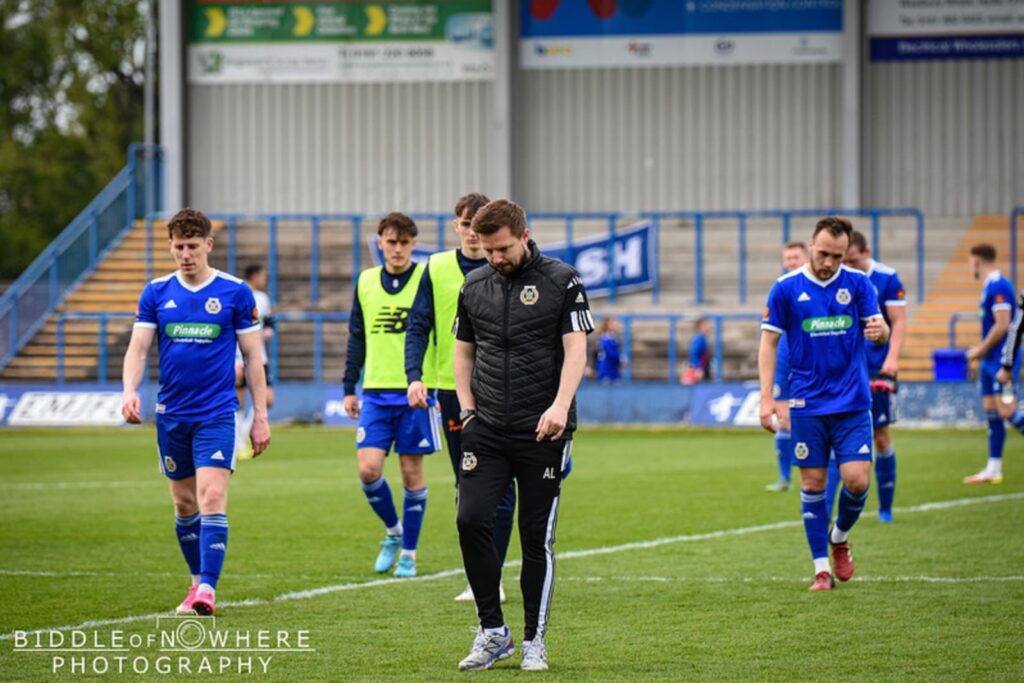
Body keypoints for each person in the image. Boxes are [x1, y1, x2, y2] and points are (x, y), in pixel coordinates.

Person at [453, 199, 592, 671]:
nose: (496, 258)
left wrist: (559, 406)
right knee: (470, 519)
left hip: (543, 430)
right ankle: (493, 632)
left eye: (503, 248)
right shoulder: (473, 285)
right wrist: (467, 411)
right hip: (487, 427)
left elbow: (576, 351)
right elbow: (463, 352)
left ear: (524, 234)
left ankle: (535, 639)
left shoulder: (563, 280)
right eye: (488, 250)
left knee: (535, 537)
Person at [121, 207, 271, 616]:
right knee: (185, 505)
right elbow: (138, 348)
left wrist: (260, 415)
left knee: (212, 496)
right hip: (172, 415)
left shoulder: (234, 292)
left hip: (218, 413)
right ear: (170, 247)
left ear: (208, 244)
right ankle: (194, 581)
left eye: (192, 246)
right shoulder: (155, 292)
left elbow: (253, 358)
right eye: (178, 247)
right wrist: (129, 390)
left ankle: (208, 588)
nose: (185, 254)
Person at [758, 216, 889, 592]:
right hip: (806, 403)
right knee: (813, 483)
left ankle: (839, 538)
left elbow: (880, 331)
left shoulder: (859, 284)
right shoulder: (785, 288)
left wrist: (882, 334)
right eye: (822, 253)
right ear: (811, 246)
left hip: (851, 402)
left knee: (856, 480)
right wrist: (767, 397)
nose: (829, 262)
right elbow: (768, 343)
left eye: (837, 255)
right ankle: (820, 569)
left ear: (846, 253)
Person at [405, 192, 516, 603]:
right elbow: (418, 326)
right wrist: (414, 376)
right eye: (464, 224)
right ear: (455, 226)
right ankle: (482, 574)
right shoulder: (435, 268)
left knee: (502, 486)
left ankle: (493, 575)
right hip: (453, 391)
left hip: (506, 390)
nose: (471, 232)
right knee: (466, 485)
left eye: (477, 224)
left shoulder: (505, 262)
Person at [343, 212, 441, 578]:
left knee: (411, 473)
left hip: (416, 393)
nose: (397, 249)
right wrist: (348, 387)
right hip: (375, 392)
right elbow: (357, 335)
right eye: (391, 241)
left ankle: (410, 555)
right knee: (368, 470)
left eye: (404, 242)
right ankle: (393, 532)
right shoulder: (366, 280)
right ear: (380, 242)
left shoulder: (425, 277)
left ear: (413, 244)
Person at [841, 231, 906, 521]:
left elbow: (900, 323)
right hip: (848, 370)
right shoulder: (841, 279)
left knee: (880, 436)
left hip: (878, 368)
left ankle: (886, 509)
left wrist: (891, 359)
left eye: (853, 260)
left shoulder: (888, 278)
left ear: (866, 251)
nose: (849, 265)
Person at [964, 244, 1019, 484]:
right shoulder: (989, 286)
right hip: (989, 359)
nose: (969, 266)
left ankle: (993, 468)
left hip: (1001, 358)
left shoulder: (999, 285)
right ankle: (993, 468)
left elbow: (1003, 324)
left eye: (970, 261)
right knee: (992, 413)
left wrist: (980, 350)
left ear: (977, 261)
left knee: (1008, 411)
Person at [765, 241, 809, 493]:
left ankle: (814, 472)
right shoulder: (781, 289)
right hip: (784, 361)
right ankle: (784, 477)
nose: (791, 261)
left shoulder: (815, 287)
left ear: (806, 257)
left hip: (810, 362)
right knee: (782, 418)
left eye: (795, 257)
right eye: (788, 258)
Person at [234, 263, 275, 459]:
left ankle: (244, 432)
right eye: (262, 275)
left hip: (260, 357)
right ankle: (238, 443)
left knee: (268, 399)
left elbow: (268, 323)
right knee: (238, 401)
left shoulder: (263, 298)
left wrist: (268, 331)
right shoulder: (238, 294)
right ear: (255, 276)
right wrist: (235, 359)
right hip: (239, 358)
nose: (264, 279)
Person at [594, 316, 627, 382]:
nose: (615, 325)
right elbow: (611, 353)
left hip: (614, 369)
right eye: (612, 323)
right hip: (606, 369)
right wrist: (621, 360)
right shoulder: (605, 338)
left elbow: (616, 352)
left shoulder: (613, 337)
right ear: (607, 325)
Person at [681, 318, 712, 384]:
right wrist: (698, 368)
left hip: (704, 367)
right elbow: (694, 353)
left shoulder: (702, 338)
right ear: (700, 327)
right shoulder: (699, 338)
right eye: (705, 325)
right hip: (699, 369)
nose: (708, 327)